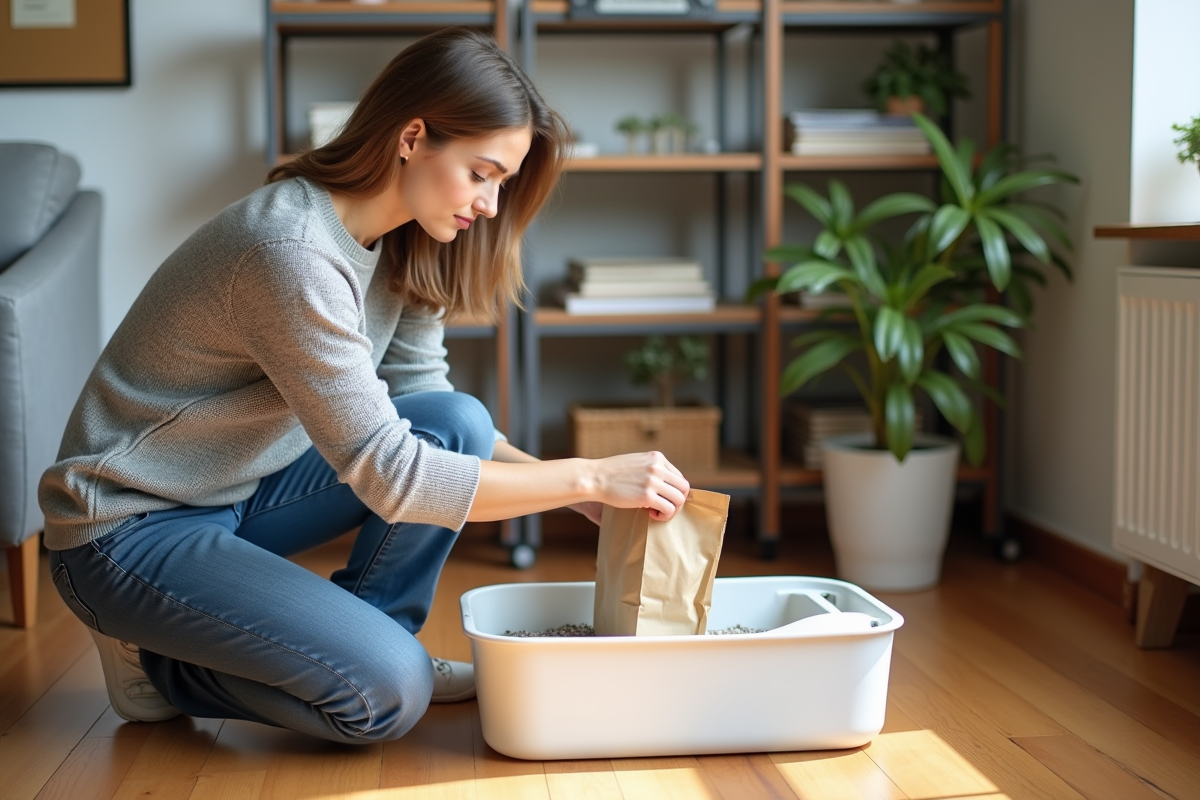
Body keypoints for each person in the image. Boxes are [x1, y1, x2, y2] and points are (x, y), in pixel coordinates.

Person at [37, 28, 690, 744]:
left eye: (501, 182)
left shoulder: (405, 236)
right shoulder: (290, 253)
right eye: (481, 172)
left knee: (457, 420)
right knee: (385, 697)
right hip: (125, 528)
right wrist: (588, 478)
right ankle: (159, 661)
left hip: (231, 491)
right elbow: (395, 478)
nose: (492, 205)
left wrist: (570, 493)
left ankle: (376, 638)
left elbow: (424, 404)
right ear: (413, 137)